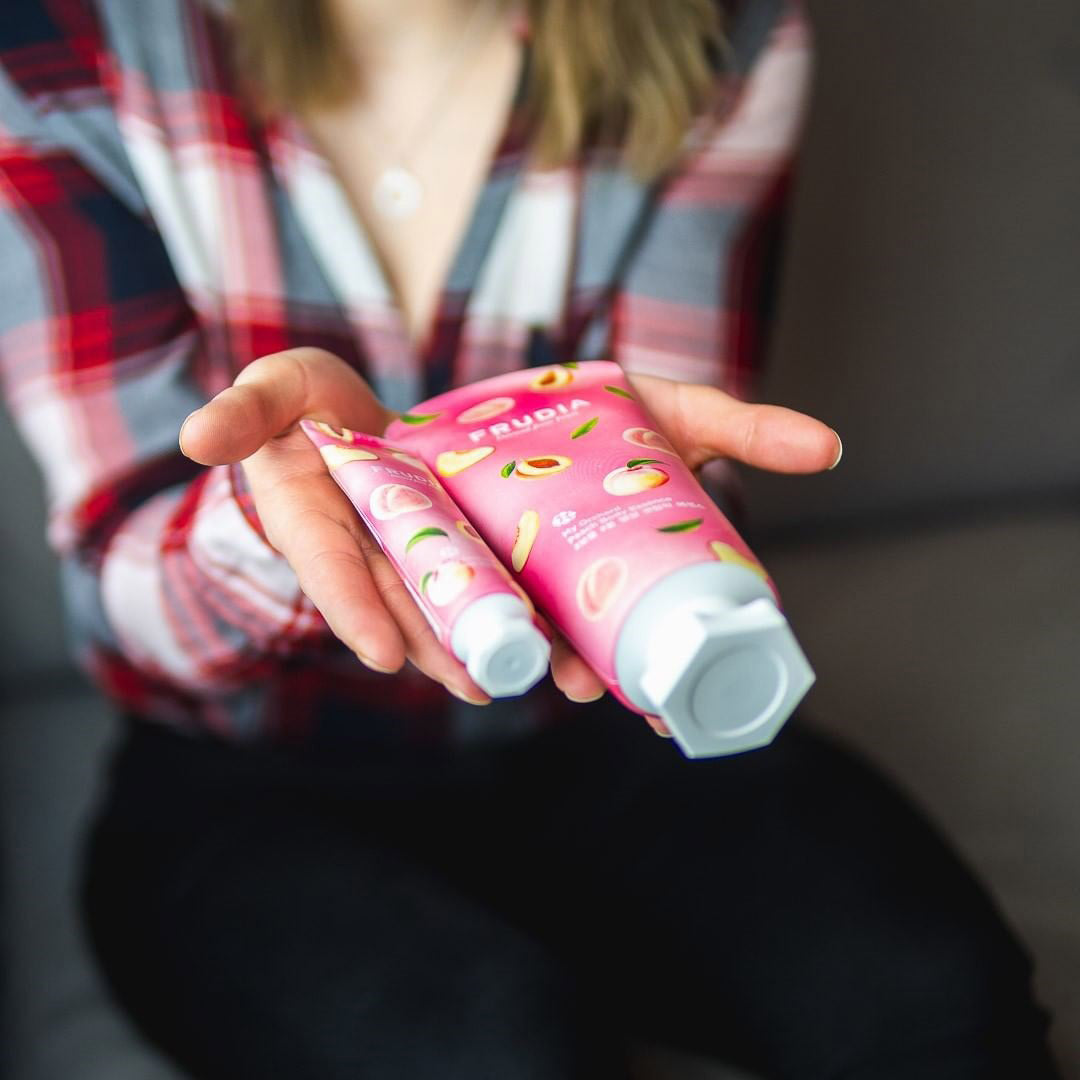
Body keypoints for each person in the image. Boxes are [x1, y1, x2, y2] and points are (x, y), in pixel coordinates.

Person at [0, 1, 1060, 1077]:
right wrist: (280, 532)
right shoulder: (60, 48)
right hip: (246, 784)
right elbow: (124, 585)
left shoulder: (721, 32)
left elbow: (679, 477)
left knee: (944, 1008)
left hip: (600, 734)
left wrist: (656, 526)